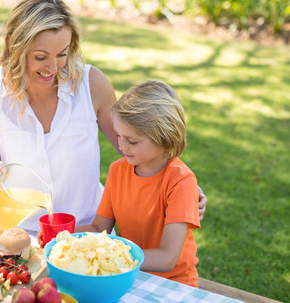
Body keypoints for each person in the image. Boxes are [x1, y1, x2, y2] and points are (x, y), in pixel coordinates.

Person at [0, 0, 207, 234]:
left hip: (88, 233)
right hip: (17, 233)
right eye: (41, 57)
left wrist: (183, 186)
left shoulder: (91, 84)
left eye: (61, 54)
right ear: (12, 44)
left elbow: (139, 146)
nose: (53, 68)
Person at [75, 80, 200, 287]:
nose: (121, 146)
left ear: (164, 139)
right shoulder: (118, 170)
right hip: (126, 275)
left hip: (174, 283)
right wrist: (61, 235)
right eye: (118, 136)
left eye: (132, 141)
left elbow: (167, 257)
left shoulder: (181, 181)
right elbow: (99, 228)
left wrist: (113, 254)